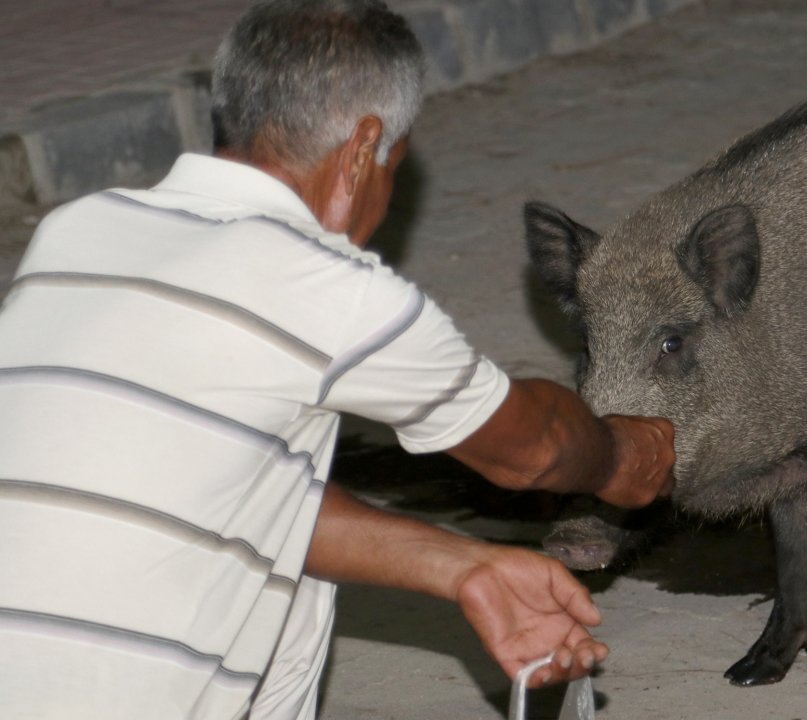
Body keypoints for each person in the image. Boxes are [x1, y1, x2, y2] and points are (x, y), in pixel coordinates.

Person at [0, 1, 675, 718]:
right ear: (363, 149)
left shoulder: (77, 231)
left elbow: (230, 500)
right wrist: (623, 457)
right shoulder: (330, 289)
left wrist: (467, 567)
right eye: (396, 166)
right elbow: (533, 450)